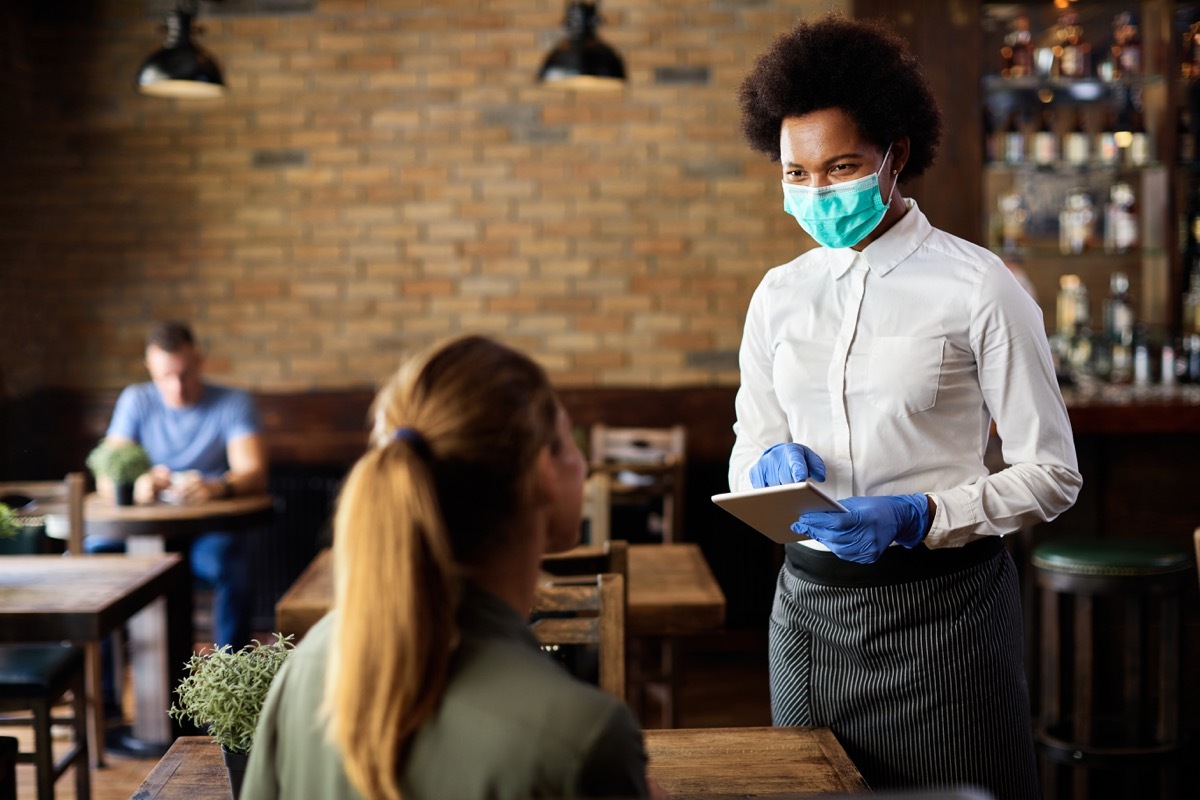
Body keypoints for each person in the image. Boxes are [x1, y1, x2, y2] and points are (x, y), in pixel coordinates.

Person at [730, 15, 1082, 799]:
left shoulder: (980, 287)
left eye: (842, 166)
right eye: (797, 173)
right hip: (806, 618)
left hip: (945, 620)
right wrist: (763, 465)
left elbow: (1053, 474)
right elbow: (750, 439)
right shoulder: (779, 296)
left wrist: (919, 516)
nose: (818, 191)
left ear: (897, 154)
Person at [241, 334, 662, 800]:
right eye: (568, 439)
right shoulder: (586, 739)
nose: (582, 463)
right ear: (544, 473)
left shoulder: (306, 665)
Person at [88, 320, 268, 651]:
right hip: (147, 533)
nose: (176, 388)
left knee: (233, 562)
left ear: (198, 360)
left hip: (208, 530)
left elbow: (254, 472)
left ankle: (231, 684)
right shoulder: (136, 400)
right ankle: (108, 696)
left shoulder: (232, 402)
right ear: (149, 368)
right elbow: (105, 477)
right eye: (164, 377)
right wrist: (138, 484)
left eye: (184, 374)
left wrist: (217, 487)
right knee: (94, 556)